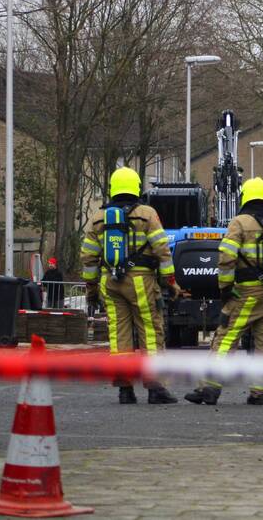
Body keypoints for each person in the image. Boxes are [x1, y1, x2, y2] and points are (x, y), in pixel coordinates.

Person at [185, 177, 263, 406]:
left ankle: (209, 388)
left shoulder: (239, 223)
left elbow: (226, 257)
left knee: (226, 336)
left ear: (245, 197)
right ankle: (260, 392)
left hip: (246, 293)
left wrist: (225, 288)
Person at [80, 167, 178, 404]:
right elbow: (162, 250)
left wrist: (92, 290)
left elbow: (88, 258)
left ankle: (125, 389)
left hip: (110, 283)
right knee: (150, 331)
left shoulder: (99, 217)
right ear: (136, 187)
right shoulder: (147, 214)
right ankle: (155, 388)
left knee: (119, 334)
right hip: (141, 281)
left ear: (113, 188)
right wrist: (170, 282)